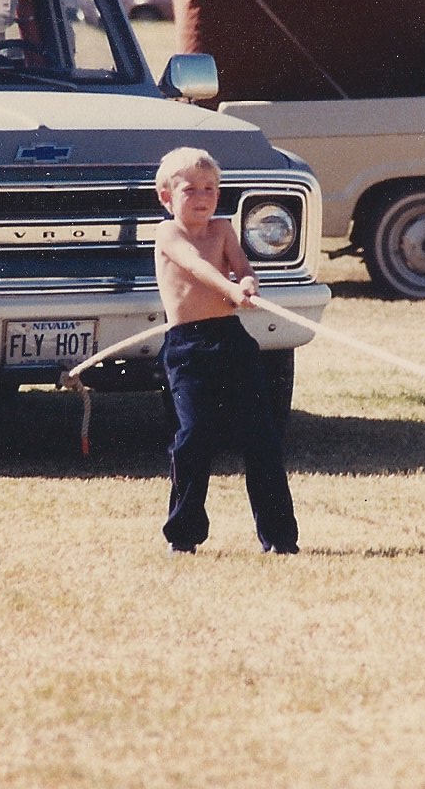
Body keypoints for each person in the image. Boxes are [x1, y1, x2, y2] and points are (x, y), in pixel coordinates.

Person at [153, 147, 300, 556]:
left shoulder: (223, 230)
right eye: (190, 190)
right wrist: (231, 289)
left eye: (210, 188)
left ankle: (280, 538)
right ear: (167, 197)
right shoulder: (167, 234)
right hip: (188, 349)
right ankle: (183, 536)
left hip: (231, 341)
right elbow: (195, 266)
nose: (202, 196)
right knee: (194, 437)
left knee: (261, 438)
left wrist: (249, 282)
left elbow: (242, 267)